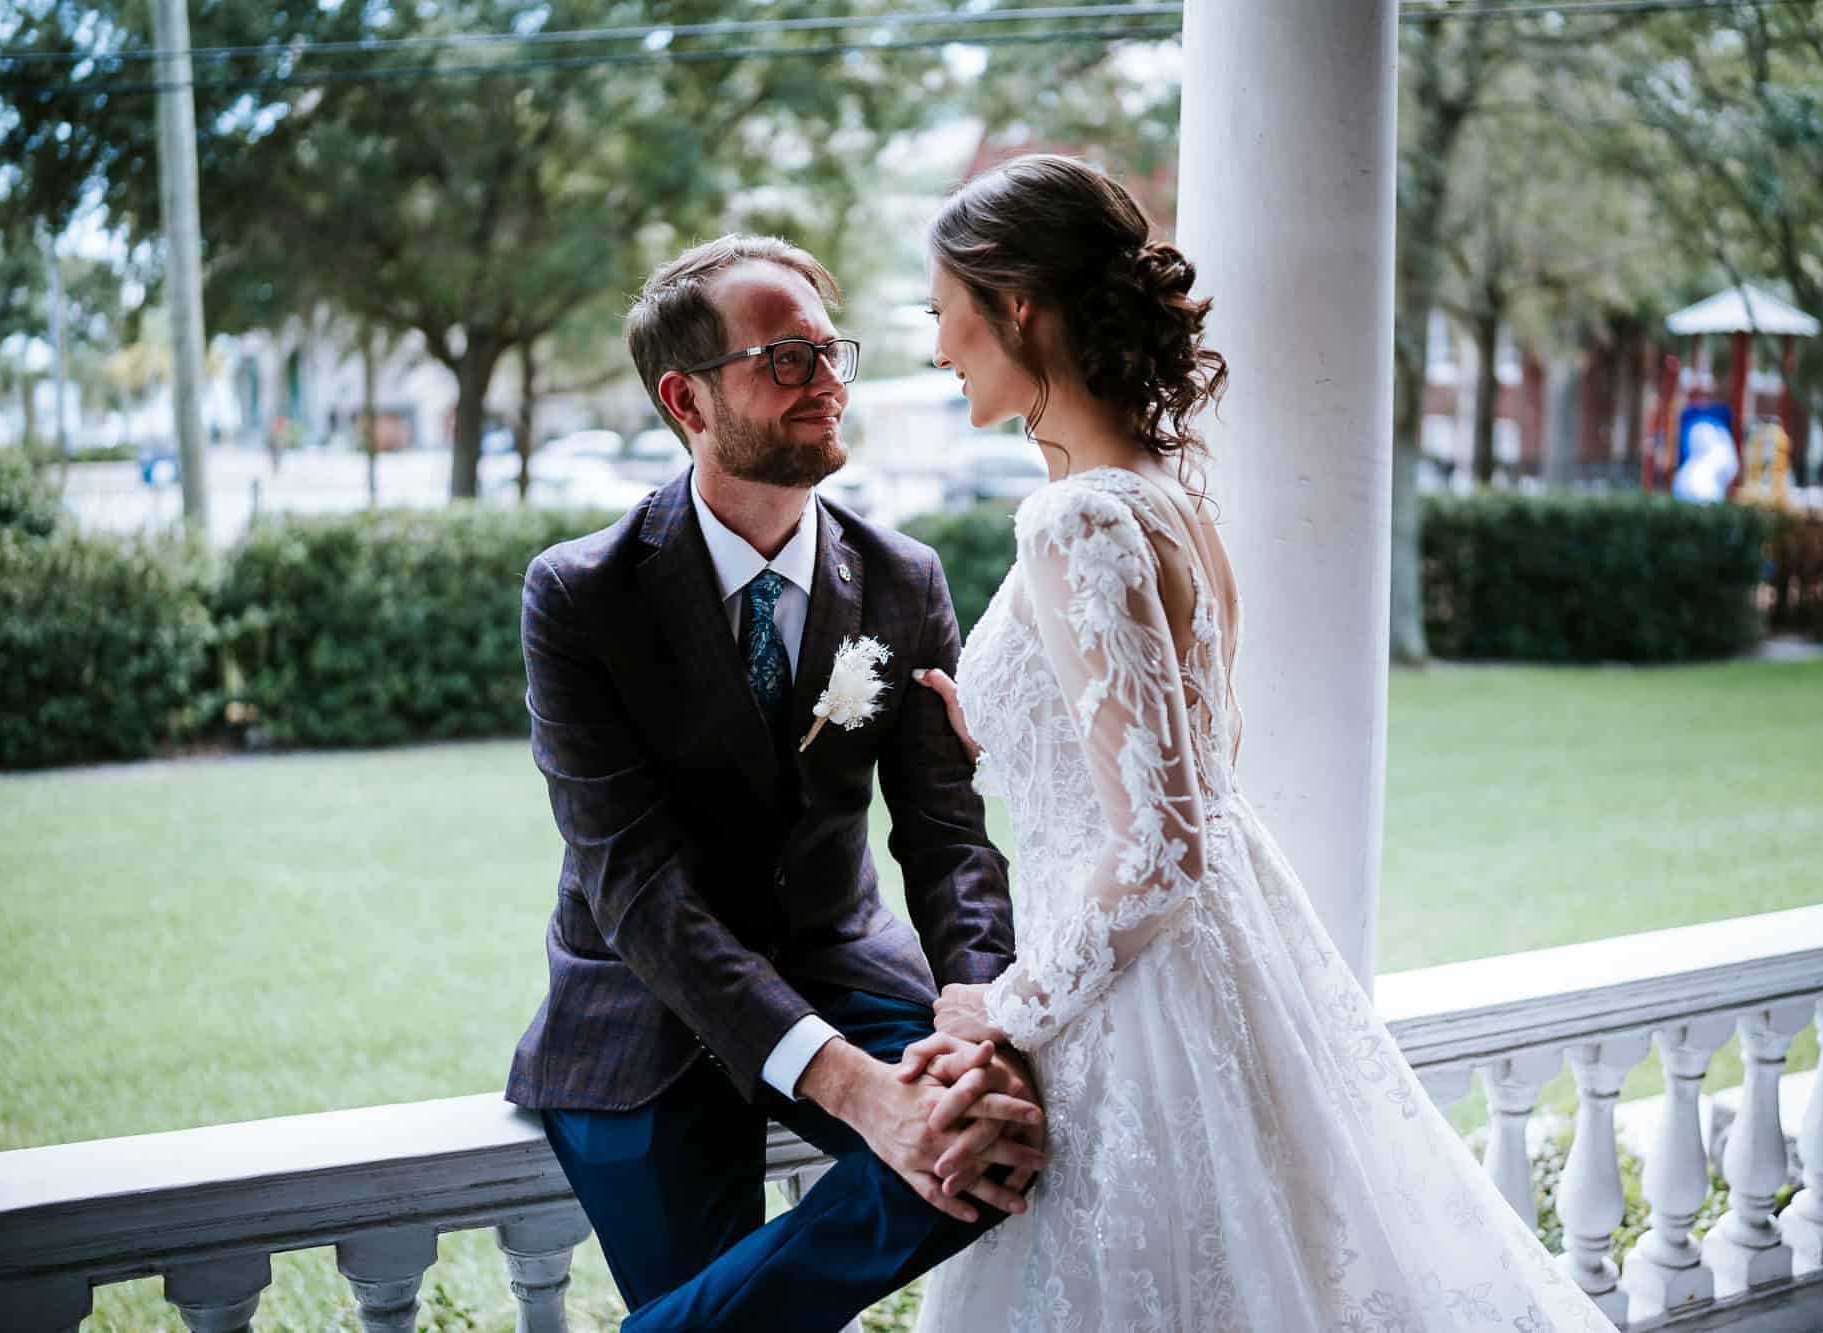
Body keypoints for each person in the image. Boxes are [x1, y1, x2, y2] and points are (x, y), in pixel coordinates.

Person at [906, 155, 1621, 1332]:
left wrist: (1007, 1008)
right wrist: (992, 728)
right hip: (1213, 968)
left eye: (943, 311)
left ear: (1015, 307)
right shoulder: (1166, 501)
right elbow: (1195, 754)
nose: (938, 346)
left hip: (1130, 1018)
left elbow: (1160, 846)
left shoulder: (1073, 515)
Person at [506, 234, 1045, 1332]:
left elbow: (946, 836)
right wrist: (856, 1090)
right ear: (687, 399)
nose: (829, 382)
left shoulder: (901, 578)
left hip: (843, 964)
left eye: (831, 353)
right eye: (787, 359)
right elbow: (636, 884)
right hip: (644, 1003)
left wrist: (971, 1005)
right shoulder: (580, 595)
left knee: (1001, 1129)